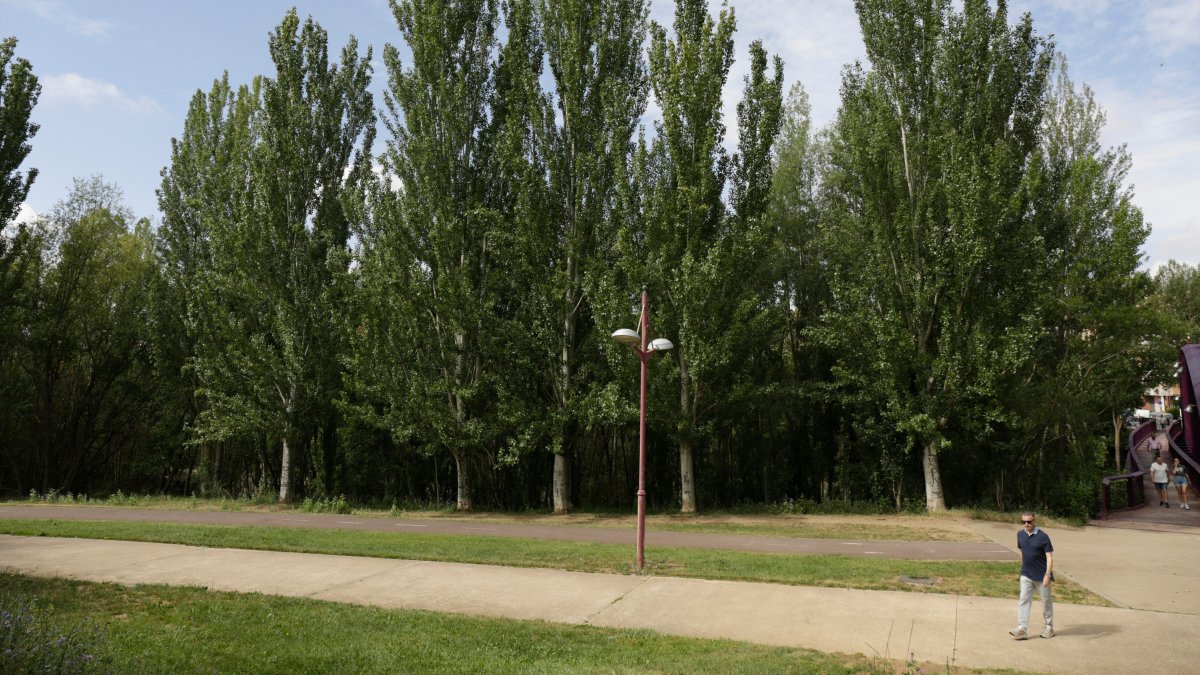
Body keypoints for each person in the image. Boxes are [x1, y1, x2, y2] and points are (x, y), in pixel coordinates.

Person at [1010, 511, 1054, 640]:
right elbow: (1023, 553)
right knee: (1024, 600)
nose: (1026, 524)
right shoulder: (1020, 535)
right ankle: (1022, 629)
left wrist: (1048, 575)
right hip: (1026, 574)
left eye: (1029, 522)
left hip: (1042, 576)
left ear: (1034, 521)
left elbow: (1050, 557)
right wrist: (1022, 569)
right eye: (1024, 522)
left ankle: (1048, 627)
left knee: (1046, 602)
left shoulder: (1043, 537)